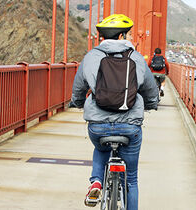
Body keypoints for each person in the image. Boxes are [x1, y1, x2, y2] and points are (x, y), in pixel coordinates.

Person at [69, 14, 158, 209]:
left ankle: (96, 182)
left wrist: (76, 103)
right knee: (131, 179)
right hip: (130, 127)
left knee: (101, 148)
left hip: (98, 126)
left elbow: (78, 88)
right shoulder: (136, 57)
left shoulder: (91, 56)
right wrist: (152, 104)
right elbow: (151, 90)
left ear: (102, 37)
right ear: (122, 36)